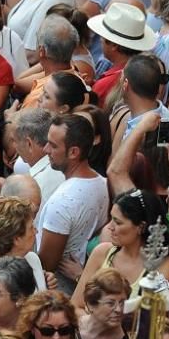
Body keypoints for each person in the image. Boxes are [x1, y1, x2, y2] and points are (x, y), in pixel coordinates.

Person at [36, 113, 109, 292]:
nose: (45, 149)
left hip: (58, 294)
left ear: (74, 152)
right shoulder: (102, 182)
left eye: (53, 145)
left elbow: (45, 266)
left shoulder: (62, 203)